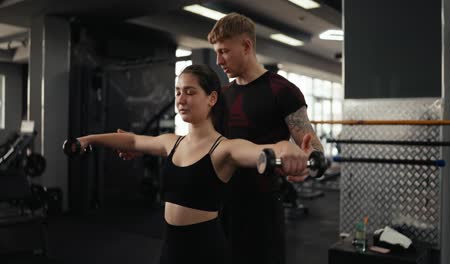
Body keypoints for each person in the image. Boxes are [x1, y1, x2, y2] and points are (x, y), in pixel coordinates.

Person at [73, 64, 312, 264]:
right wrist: (87, 139)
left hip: (205, 250)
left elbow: (261, 150)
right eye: (177, 92)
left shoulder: (224, 148)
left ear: (212, 98)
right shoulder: (172, 143)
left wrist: (286, 149)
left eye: (189, 92)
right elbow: (133, 139)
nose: (181, 99)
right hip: (170, 248)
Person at [206, 13, 324, 264]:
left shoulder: (282, 91)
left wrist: (308, 164)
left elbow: (313, 148)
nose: (218, 61)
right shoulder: (223, 95)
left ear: (246, 46)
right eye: (216, 52)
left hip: (261, 211)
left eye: (224, 51)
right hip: (221, 206)